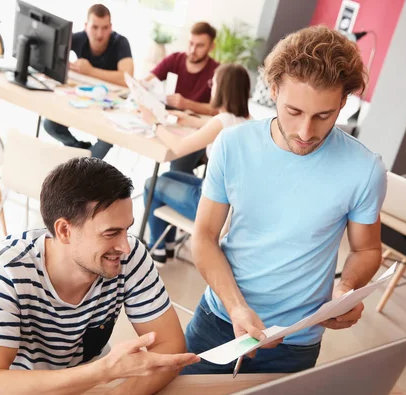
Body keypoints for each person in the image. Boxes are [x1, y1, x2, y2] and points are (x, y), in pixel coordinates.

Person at [183, 26, 387, 375]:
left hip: (296, 342)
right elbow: (203, 237)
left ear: (343, 101)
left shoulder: (365, 169)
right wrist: (236, 309)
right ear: (273, 89)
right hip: (218, 322)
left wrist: (348, 289)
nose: (306, 132)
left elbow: (366, 250)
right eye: (294, 111)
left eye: (323, 115)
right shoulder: (232, 145)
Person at [0, 157, 199, 395]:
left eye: (127, 229)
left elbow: (171, 345)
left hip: (69, 390)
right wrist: (103, 371)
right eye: (111, 233)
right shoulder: (3, 269)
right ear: (65, 230)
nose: (126, 246)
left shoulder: (128, 258)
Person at [140, 64, 251, 264]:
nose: (211, 87)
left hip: (210, 205)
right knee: (165, 178)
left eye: (213, 83)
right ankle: (168, 245)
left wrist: (154, 123)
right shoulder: (248, 121)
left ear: (222, 89)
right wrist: (189, 119)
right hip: (229, 204)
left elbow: (179, 148)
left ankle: (158, 248)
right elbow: (215, 125)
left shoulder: (222, 121)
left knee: (151, 184)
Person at [43, 4, 133, 159]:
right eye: (95, 27)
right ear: (86, 26)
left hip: (109, 108)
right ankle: (79, 150)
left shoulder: (120, 42)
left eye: (105, 28)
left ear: (111, 27)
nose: (100, 34)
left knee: (107, 139)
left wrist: (90, 71)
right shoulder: (78, 38)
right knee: (50, 124)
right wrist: (66, 66)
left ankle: (86, 166)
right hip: (82, 101)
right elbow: (51, 55)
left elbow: (127, 79)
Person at [145, 21, 220, 174]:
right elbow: (147, 81)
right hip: (172, 120)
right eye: (191, 43)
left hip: (198, 130)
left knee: (178, 166)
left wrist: (186, 103)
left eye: (200, 45)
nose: (193, 50)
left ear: (211, 47)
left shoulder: (217, 71)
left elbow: (216, 109)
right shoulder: (175, 59)